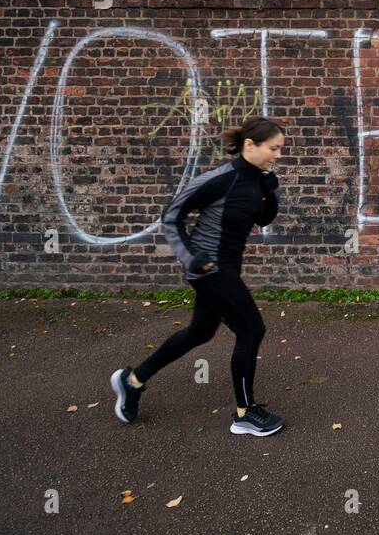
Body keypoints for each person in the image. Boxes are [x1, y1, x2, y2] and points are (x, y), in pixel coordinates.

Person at [111, 115, 286, 436]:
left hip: (228, 267)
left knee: (199, 332)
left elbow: (263, 219)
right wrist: (192, 256)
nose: (277, 155)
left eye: (279, 149)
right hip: (208, 267)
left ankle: (133, 380)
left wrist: (271, 192)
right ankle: (245, 413)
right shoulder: (220, 179)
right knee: (251, 330)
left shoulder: (257, 179)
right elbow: (171, 216)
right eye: (273, 148)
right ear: (250, 145)